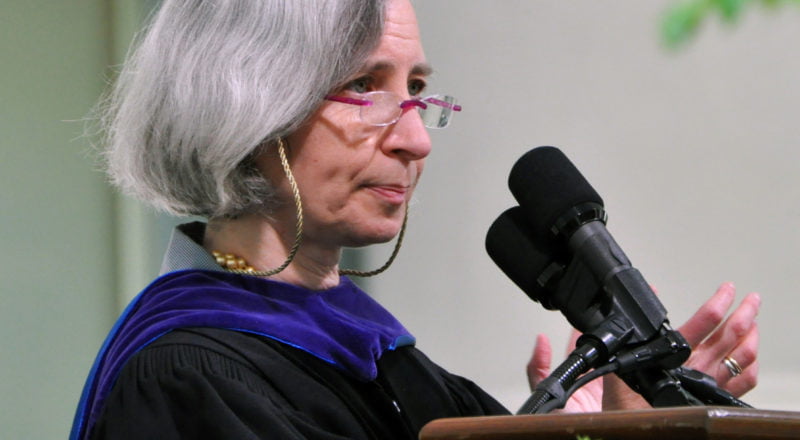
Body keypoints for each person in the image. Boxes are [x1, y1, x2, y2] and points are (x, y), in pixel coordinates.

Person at [71, 0, 760, 438]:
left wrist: (605, 428)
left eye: (418, 90)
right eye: (363, 87)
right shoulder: (187, 379)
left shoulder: (387, 363)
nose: (416, 138)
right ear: (246, 105)